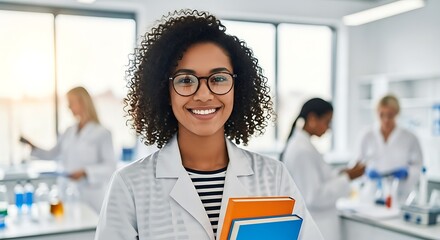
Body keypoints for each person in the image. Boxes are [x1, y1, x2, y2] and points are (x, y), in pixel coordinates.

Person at [95, 9, 323, 240]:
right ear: (165, 91)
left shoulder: (273, 176)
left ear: (238, 87)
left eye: (219, 78)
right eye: (185, 80)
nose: (204, 95)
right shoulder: (129, 186)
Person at [20, 86, 116, 212]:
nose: (68, 107)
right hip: (67, 194)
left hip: (91, 196)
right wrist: (31, 145)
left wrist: (85, 172)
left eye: (71, 102)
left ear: (82, 103)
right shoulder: (69, 131)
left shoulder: (102, 133)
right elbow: (51, 154)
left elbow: (110, 167)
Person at [281, 97, 365, 240]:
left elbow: (319, 178)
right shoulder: (302, 150)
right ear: (312, 118)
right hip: (317, 226)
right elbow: (314, 197)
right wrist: (347, 178)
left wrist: (342, 173)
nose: (329, 127)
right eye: (327, 121)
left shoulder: (303, 145)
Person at [357, 94, 423, 202]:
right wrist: (366, 172)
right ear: (376, 113)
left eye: (390, 115)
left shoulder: (410, 137)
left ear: (397, 113)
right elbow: (357, 164)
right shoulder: (367, 135)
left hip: (401, 194)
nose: (386, 119)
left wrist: (408, 173)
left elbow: (418, 166)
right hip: (372, 194)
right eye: (381, 115)